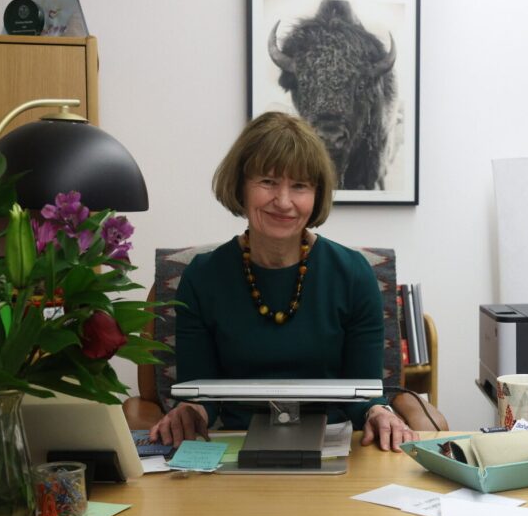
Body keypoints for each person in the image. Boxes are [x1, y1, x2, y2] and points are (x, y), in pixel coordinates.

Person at [150, 111, 419, 451]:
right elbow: (200, 393)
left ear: (316, 195)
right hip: (235, 448)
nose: (284, 201)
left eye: (300, 186)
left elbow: (363, 394)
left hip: (334, 446)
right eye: (268, 181)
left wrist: (378, 412)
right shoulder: (201, 277)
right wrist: (190, 412)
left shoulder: (355, 275)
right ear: (240, 186)